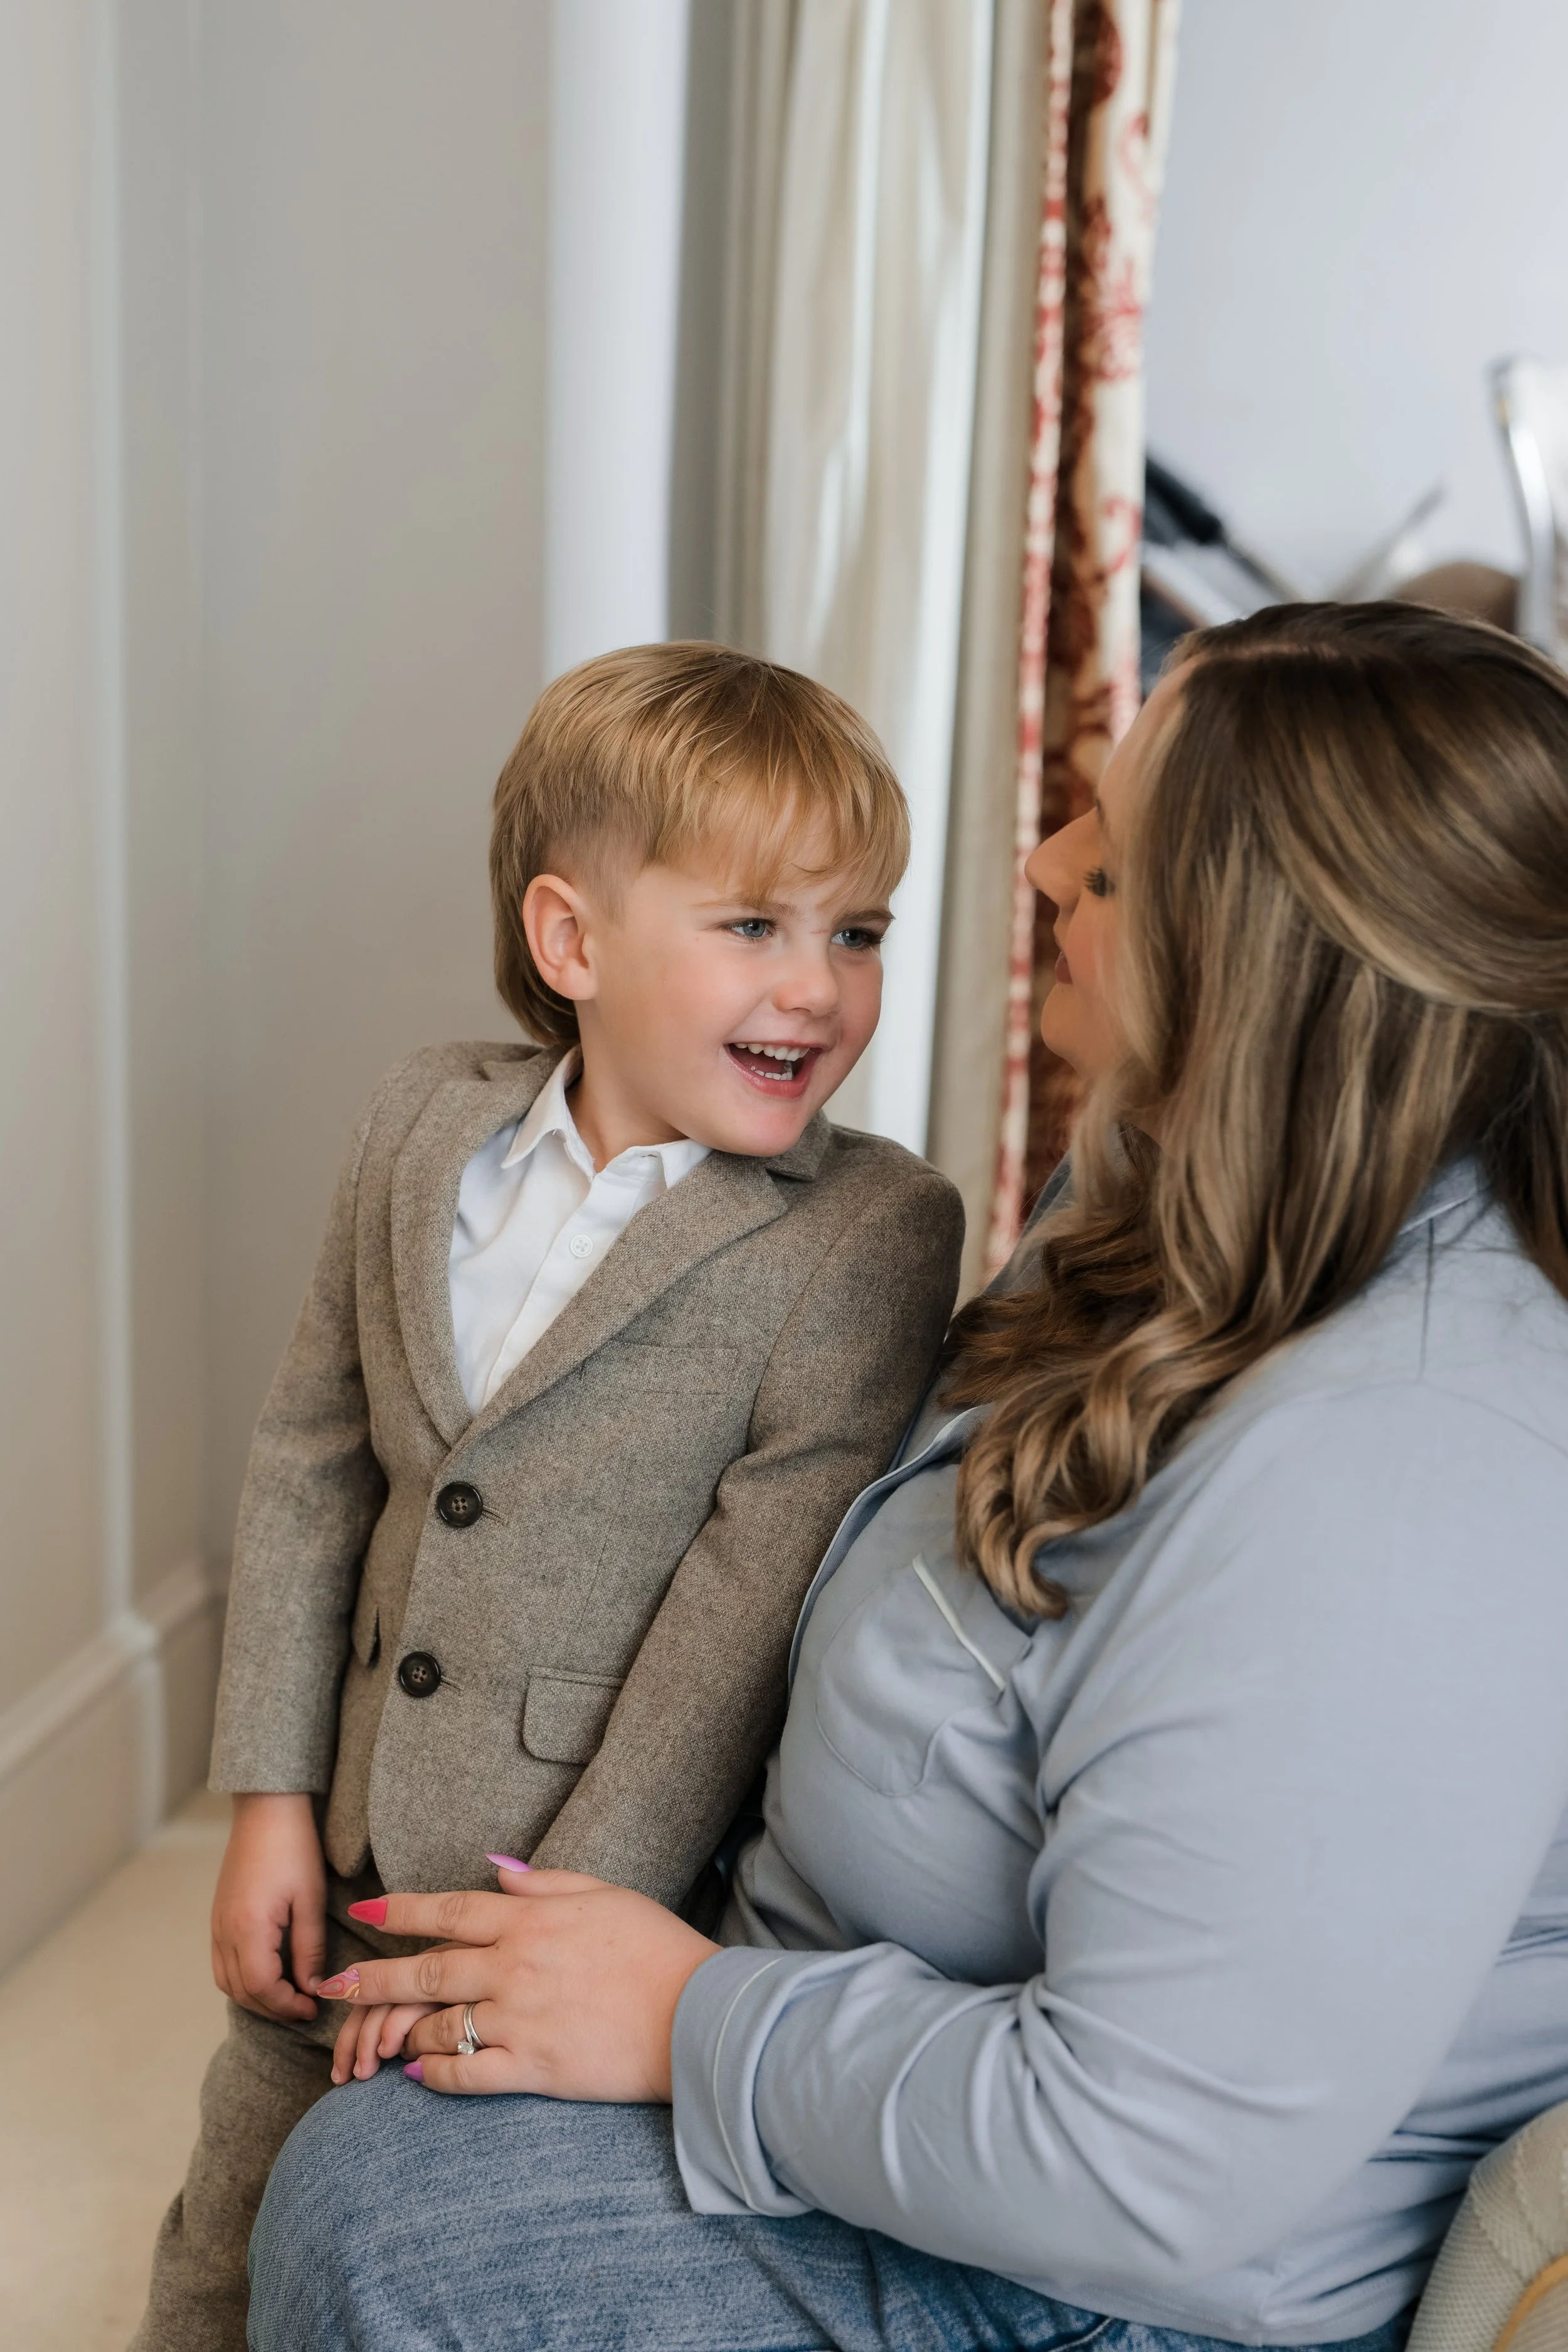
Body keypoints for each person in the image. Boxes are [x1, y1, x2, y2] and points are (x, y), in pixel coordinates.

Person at [248, 603, 1568, 2352]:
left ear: (1247, 955)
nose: (1038, 861)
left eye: (1111, 856)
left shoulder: (1395, 1482)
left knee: (388, 2211)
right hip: (860, 2050)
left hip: (1090, 2279)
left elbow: (1144, 2160)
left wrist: (695, 2016)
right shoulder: (1172, 1217)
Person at [132, 644, 964, 2351]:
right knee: (230, 2218)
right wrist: (271, 1798)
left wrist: (529, 1952)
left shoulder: (868, 1233)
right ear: (569, 940)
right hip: (349, 1847)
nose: (816, 985)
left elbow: (729, 1643)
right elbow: (311, 1462)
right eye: (753, 924)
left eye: (858, 929)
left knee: (401, 2239)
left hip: (563, 1911)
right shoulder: (416, 1128)